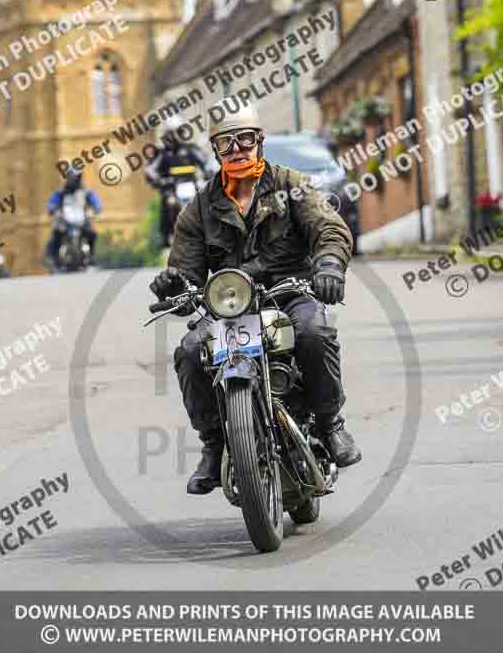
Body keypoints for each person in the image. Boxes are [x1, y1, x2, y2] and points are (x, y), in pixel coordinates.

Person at [150, 103, 362, 495]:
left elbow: (328, 227)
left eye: (245, 139)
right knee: (191, 349)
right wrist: (175, 284)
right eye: (226, 142)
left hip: (290, 293)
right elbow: (187, 270)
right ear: (215, 150)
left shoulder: (291, 184)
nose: (237, 149)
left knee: (315, 331)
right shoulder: (198, 207)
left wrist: (330, 265)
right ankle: (213, 447)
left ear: (259, 141)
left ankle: (331, 425)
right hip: (231, 305)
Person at [145, 117, 208, 246]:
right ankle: (166, 234)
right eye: (171, 133)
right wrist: (158, 180)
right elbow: (151, 171)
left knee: (206, 201)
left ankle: (210, 231)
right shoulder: (162, 154)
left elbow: (205, 163)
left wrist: (209, 173)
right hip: (172, 188)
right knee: (169, 202)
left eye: (178, 132)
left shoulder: (191, 149)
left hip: (192, 185)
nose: (175, 136)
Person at [46, 168, 102, 270]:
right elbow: (52, 202)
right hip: (64, 220)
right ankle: (54, 258)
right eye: (71, 177)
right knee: (56, 233)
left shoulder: (86, 193)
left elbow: (96, 202)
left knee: (92, 234)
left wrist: (96, 209)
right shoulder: (61, 193)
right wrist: (52, 209)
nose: (73, 180)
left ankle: (91, 256)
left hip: (82, 219)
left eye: (75, 178)